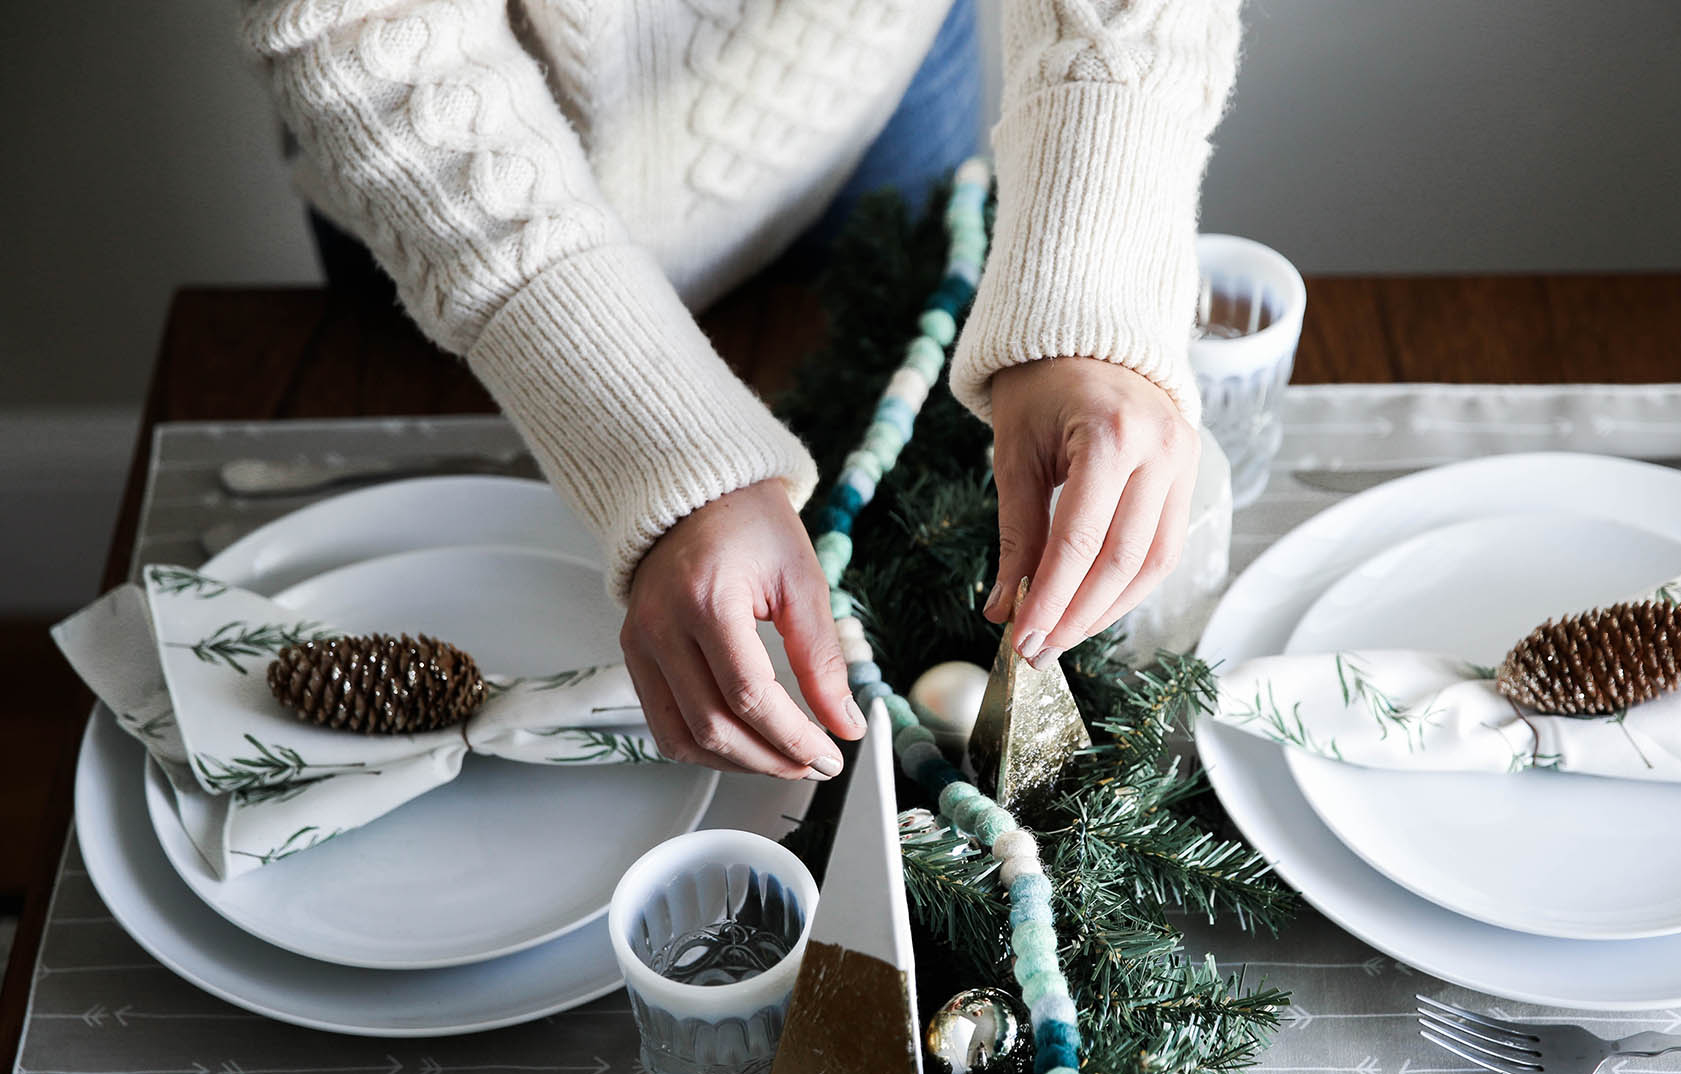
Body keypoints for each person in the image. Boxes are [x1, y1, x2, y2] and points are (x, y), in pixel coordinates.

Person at [241, 0, 1242, 783]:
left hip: (866, 93)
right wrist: (653, 444)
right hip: (452, 178)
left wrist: (1098, 271)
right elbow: (358, 22)